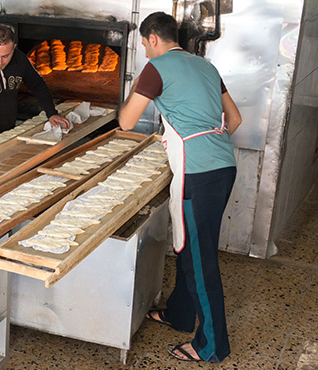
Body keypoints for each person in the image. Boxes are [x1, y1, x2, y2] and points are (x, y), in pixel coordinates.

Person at [118, 12, 242, 363]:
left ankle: (212, 345)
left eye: (143, 44)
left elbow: (126, 122)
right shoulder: (205, 66)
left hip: (198, 176)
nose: (144, 51)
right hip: (223, 167)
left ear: (153, 39)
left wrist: (138, 84)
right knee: (189, 248)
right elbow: (234, 119)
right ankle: (179, 314)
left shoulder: (155, 70)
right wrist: (199, 143)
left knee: (200, 259)